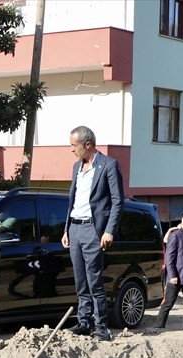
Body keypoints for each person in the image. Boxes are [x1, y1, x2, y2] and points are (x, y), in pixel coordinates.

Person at [62, 125, 124, 341]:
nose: (71, 149)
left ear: (87, 144)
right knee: (80, 279)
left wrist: (109, 231)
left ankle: (101, 326)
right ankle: (84, 321)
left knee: (94, 278)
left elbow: (117, 201)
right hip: (75, 228)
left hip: (93, 229)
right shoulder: (75, 167)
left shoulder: (108, 165)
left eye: (73, 145)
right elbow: (73, 199)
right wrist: (66, 229)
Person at [154, 213, 183, 331]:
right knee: (168, 303)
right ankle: (158, 327)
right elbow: (169, 258)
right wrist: (173, 275)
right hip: (177, 276)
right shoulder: (176, 236)